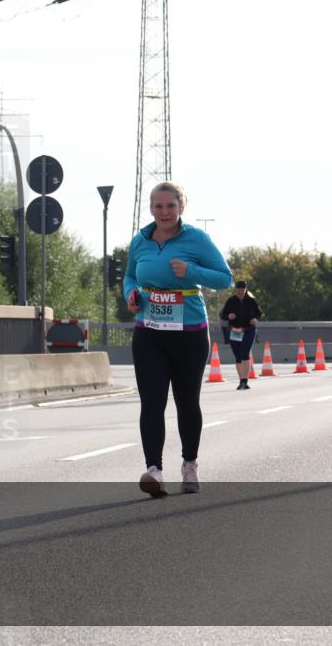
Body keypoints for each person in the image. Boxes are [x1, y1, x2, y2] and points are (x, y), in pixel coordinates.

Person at [124, 182, 232, 497]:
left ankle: (190, 465)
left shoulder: (196, 239)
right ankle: (154, 471)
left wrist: (191, 271)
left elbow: (224, 278)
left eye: (170, 206)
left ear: (181, 208)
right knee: (152, 402)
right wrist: (131, 294)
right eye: (158, 206)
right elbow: (130, 276)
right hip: (149, 331)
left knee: (186, 401)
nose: (164, 213)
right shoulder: (140, 241)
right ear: (150, 209)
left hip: (189, 332)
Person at [219, 280, 262, 390]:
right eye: (238, 290)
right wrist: (229, 316)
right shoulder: (231, 301)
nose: (240, 292)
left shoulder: (251, 300)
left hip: (248, 330)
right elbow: (222, 314)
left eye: (242, 290)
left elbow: (259, 313)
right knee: (238, 356)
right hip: (235, 331)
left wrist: (255, 319)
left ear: (245, 290)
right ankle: (241, 380)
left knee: (245, 353)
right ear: (236, 290)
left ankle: (244, 381)